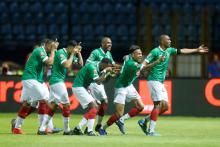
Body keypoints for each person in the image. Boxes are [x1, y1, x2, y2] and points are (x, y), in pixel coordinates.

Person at [138, 34, 208, 136]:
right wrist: (140, 69)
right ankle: (151, 131)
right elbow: (144, 64)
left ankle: (144, 121)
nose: (170, 41)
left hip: (161, 82)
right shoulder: (155, 51)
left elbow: (181, 50)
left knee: (165, 107)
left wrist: (196, 50)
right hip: (153, 80)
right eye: (168, 39)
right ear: (162, 41)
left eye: (170, 39)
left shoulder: (169, 50)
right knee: (157, 105)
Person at [98, 45, 163, 135]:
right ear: (133, 55)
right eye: (138, 54)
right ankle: (102, 128)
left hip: (128, 85)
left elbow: (126, 56)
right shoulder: (132, 64)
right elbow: (145, 67)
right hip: (121, 87)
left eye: (141, 53)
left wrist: (125, 57)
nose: (140, 55)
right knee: (119, 113)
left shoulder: (129, 57)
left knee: (140, 107)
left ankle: (122, 120)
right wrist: (157, 61)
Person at [11, 39, 58, 134]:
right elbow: (49, 63)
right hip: (31, 79)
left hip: (36, 80)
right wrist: (53, 51)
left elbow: (50, 64)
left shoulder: (46, 53)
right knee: (44, 100)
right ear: (46, 45)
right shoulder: (40, 50)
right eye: (51, 46)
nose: (52, 48)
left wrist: (54, 51)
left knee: (27, 104)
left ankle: (16, 127)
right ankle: (43, 128)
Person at [38, 40, 83, 135]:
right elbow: (67, 65)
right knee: (66, 104)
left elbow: (80, 64)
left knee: (53, 106)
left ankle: (42, 129)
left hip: (57, 82)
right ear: (70, 47)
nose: (74, 51)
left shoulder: (71, 53)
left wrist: (78, 53)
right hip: (56, 81)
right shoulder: (61, 53)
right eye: (74, 49)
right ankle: (66, 130)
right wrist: (72, 55)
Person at [86, 37, 120, 132]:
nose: (110, 44)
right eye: (108, 43)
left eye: (111, 43)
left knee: (101, 103)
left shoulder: (108, 54)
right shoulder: (96, 52)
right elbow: (87, 63)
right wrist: (101, 67)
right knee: (98, 104)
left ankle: (96, 125)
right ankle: (89, 127)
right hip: (93, 81)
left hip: (100, 82)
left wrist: (123, 67)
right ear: (102, 44)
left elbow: (113, 65)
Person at [71, 58, 114, 136]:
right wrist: (105, 71)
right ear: (103, 64)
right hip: (79, 87)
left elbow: (100, 79)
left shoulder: (98, 66)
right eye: (107, 66)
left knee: (94, 107)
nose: (107, 68)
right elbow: (98, 82)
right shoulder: (92, 67)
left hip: (84, 87)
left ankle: (79, 128)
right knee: (94, 107)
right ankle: (88, 130)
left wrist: (106, 72)